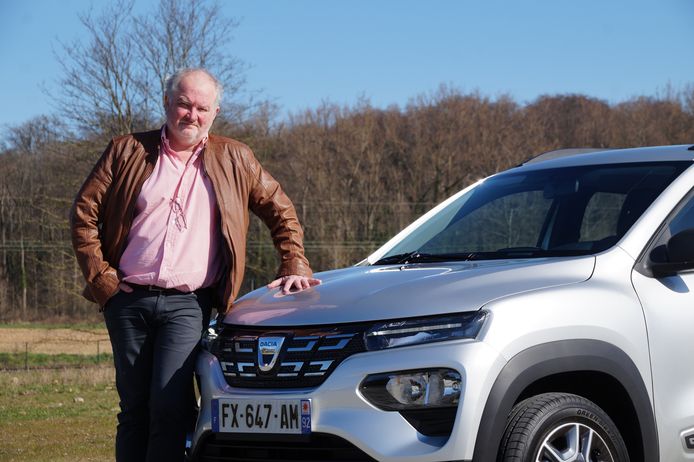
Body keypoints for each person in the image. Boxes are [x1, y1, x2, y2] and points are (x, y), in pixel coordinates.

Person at [70, 68, 320, 462]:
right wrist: (102, 281)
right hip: (127, 301)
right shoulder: (126, 150)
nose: (192, 114)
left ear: (215, 112)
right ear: (167, 103)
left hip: (188, 305)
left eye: (202, 107)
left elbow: (281, 210)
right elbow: (83, 213)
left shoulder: (235, 157)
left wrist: (294, 263)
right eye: (184, 103)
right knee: (135, 410)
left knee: (170, 406)